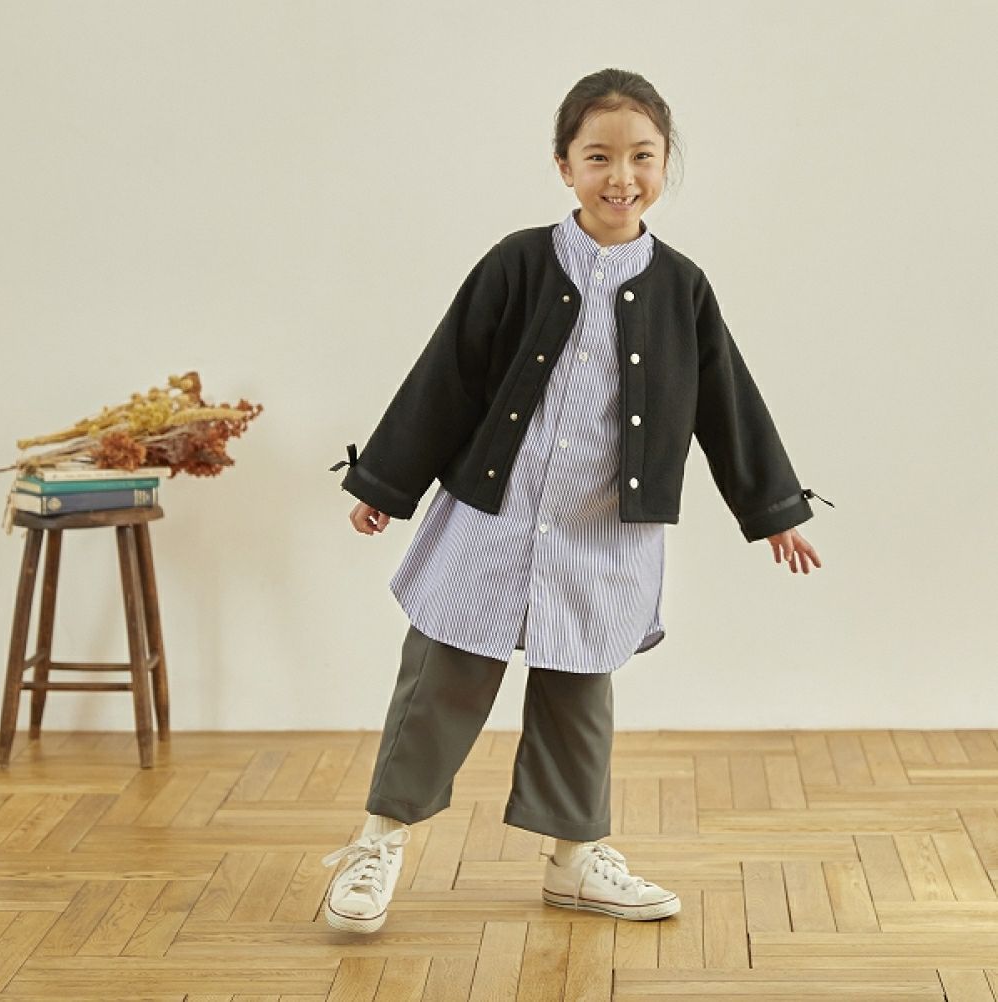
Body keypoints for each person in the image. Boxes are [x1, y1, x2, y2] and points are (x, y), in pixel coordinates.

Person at [322, 67, 833, 934]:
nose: (620, 176)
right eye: (598, 157)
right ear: (564, 165)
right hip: (493, 516)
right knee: (440, 680)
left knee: (579, 694)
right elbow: (446, 376)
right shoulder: (518, 262)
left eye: (641, 156)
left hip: (603, 532)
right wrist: (386, 483)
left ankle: (573, 860)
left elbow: (727, 403)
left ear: (665, 162)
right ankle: (378, 844)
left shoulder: (682, 287)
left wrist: (774, 508)